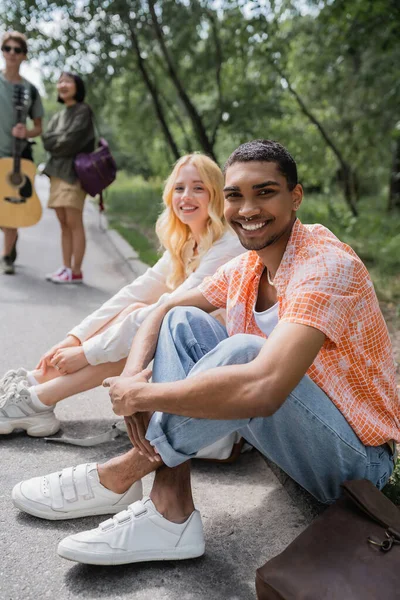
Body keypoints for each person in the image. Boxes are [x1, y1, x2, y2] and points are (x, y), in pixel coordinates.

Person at [11, 139, 399, 567]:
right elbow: (162, 311)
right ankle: (170, 514)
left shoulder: (325, 266)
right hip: (295, 435)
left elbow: (264, 389)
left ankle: (118, 476)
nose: (247, 208)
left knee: (248, 352)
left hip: (355, 466)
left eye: (264, 192)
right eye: (235, 195)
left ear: (295, 197)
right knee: (183, 324)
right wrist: (133, 375)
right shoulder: (249, 264)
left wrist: (143, 398)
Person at [0, 153, 244, 441]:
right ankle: (36, 384)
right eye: (179, 188)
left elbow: (165, 309)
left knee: (147, 323)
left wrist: (86, 354)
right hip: (192, 354)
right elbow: (135, 291)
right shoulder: (189, 240)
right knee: (136, 309)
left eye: (198, 188)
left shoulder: (227, 248)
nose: (186, 196)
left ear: (215, 194)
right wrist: (76, 337)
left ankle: (38, 399)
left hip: (222, 367)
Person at [42, 71, 95, 284]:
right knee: (63, 223)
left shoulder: (83, 111)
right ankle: (65, 268)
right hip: (56, 173)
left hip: (74, 174)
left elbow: (70, 141)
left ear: (77, 86)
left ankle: (76, 271)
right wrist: (56, 140)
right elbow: (46, 140)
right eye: (60, 81)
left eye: (68, 81)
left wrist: (56, 140)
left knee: (74, 222)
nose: (63, 85)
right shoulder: (59, 115)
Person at [0, 31, 44, 275]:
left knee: (11, 208)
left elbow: (38, 127)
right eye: (7, 48)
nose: (12, 54)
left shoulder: (31, 90)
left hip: (17, 157)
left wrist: (25, 132)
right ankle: (9, 240)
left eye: (17, 50)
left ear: (24, 55)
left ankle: (6, 256)